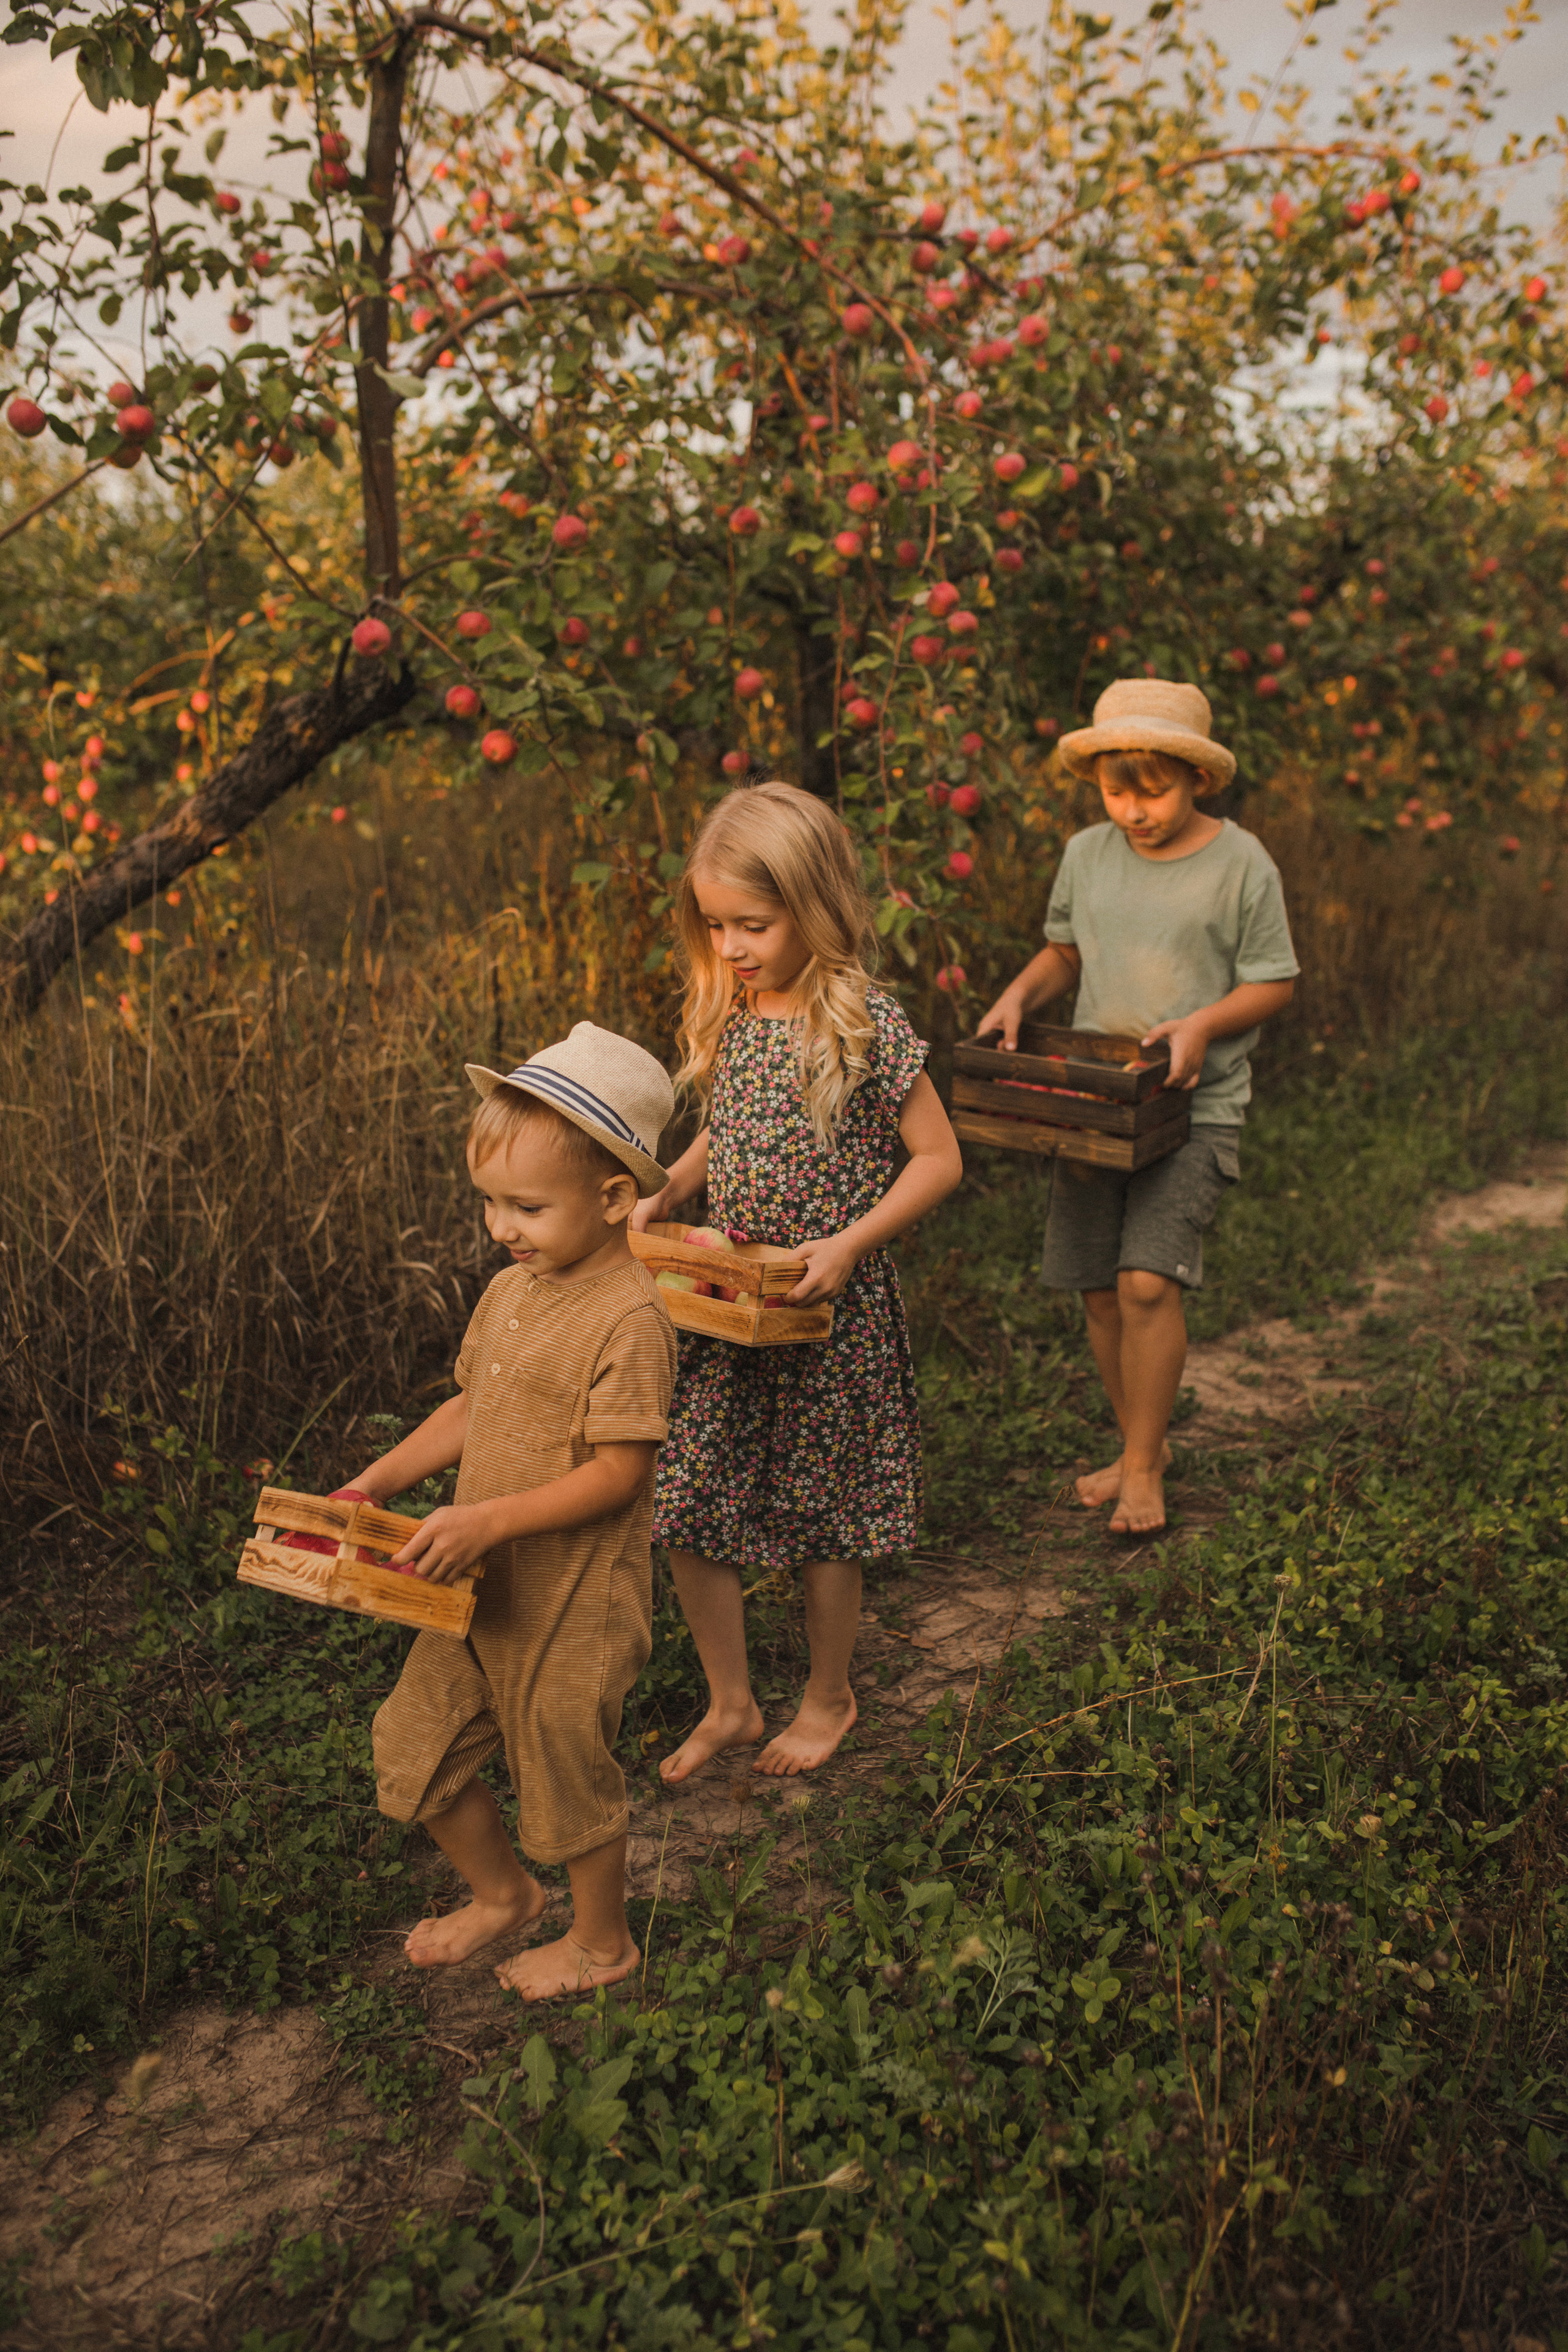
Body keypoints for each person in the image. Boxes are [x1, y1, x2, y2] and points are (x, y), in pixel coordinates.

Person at [632, 779, 963, 1781]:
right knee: (686, 1502)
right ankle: (731, 1701)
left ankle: (830, 1694)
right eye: (716, 924)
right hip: (730, 1306)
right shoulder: (733, 1009)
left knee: (826, 1517)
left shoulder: (864, 1020)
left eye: (753, 925)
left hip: (828, 1310)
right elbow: (726, 1131)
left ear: (813, 906)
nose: (730, 946)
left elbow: (940, 1159)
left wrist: (851, 1244)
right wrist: (669, 1187)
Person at [345, 1023, 679, 2002]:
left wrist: (489, 1521)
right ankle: (504, 1896)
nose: (502, 1227)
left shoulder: (631, 1316)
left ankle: (604, 1945)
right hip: (476, 1587)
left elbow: (620, 1472)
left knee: (566, 1766)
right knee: (413, 1742)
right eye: (490, 1202)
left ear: (615, 1198)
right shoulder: (509, 1291)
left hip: (572, 1600)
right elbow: (468, 1408)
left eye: (527, 1206)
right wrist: (377, 1481)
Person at [977, 679, 1298, 1538]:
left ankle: (1146, 1467)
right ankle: (1135, 1444)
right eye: (1117, 791)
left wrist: (1202, 1024)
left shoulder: (1241, 863)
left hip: (1194, 1105)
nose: (1134, 810)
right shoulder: (1088, 854)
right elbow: (1063, 951)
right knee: (1098, 1291)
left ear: (1197, 778)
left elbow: (1275, 980)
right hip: (1096, 1103)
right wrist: (1018, 996)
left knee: (1147, 1280)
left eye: (1152, 790)